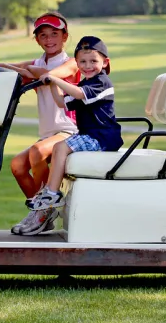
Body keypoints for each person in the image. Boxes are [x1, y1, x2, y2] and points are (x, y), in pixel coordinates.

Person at [11, 36, 123, 236]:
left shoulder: (101, 82)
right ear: (78, 63)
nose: (87, 66)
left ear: (105, 62)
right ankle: (49, 196)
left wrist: (54, 78)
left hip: (102, 137)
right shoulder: (86, 82)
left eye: (93, 61)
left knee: (60, 147)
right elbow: (62, 103)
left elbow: (79, 94)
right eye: (82, 62)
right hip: (91, 135)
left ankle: (52, 194)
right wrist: (53, 84)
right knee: (58, 148)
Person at [0, 12, 79, 211]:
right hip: (49, 134)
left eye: (54, 34)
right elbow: (6, 68)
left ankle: (43, 210)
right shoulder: (38, 63)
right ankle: (42, 213)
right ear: (37, 40)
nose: (49, 39)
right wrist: (24, 70)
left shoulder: (73, 63)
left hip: (70, 131)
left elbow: (51, 76)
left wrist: (30, 71)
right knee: (17, 165)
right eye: (43, 35)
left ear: (65, 36)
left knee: (36, 151)